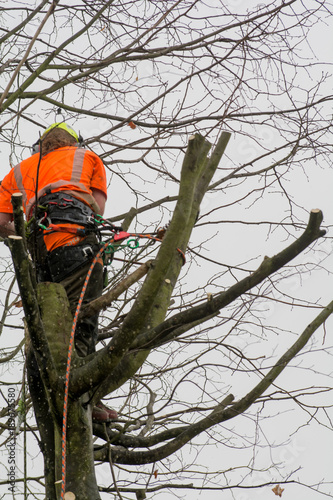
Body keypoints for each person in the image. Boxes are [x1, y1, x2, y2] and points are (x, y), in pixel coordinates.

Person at [0, 122, 117, 423]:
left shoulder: (20, 170)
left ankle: (50, 392)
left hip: (41, 259)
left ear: (41, 145)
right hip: (77, 247)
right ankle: (80, 398)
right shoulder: (87, 158)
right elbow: (98, 210)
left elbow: (1, 221)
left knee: (48, 327)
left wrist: (25, 232)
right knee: (81, 323)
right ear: (75, 142)